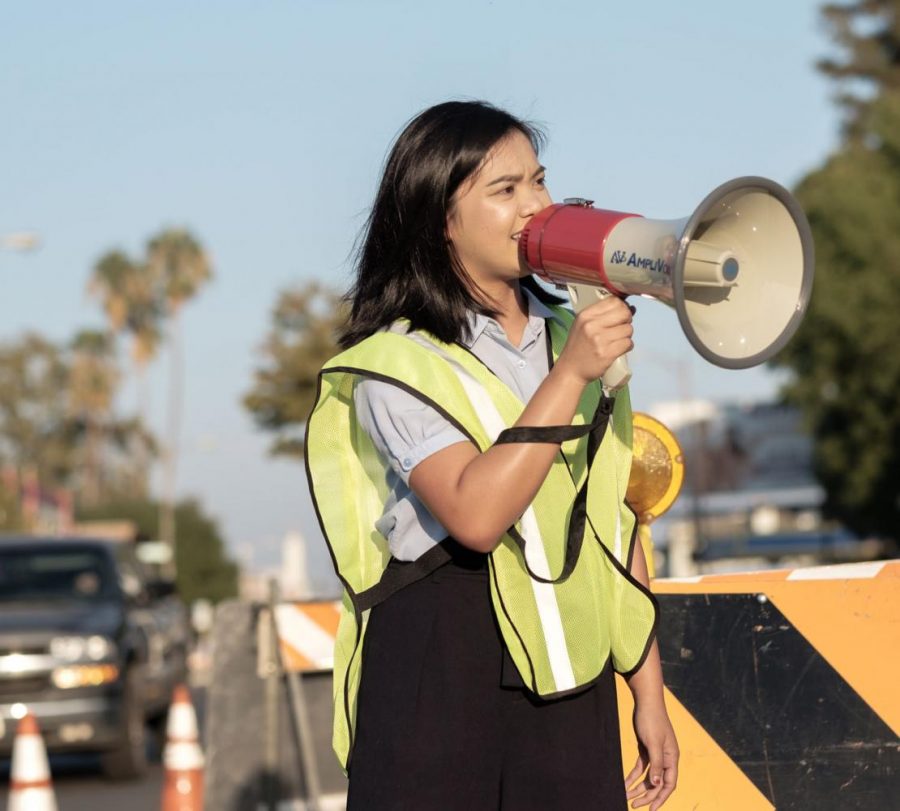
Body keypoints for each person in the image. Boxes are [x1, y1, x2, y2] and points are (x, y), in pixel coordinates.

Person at [305, 100, 679, 810]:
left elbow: (611, 521)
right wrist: (570, 375)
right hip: (439, 660)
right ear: (439, 221)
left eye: (539, 181)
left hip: (569, 668)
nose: (535, 206)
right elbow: (474, 514)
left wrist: (648, 692)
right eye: (504, 191)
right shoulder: (394, 361)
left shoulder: (573, 331)